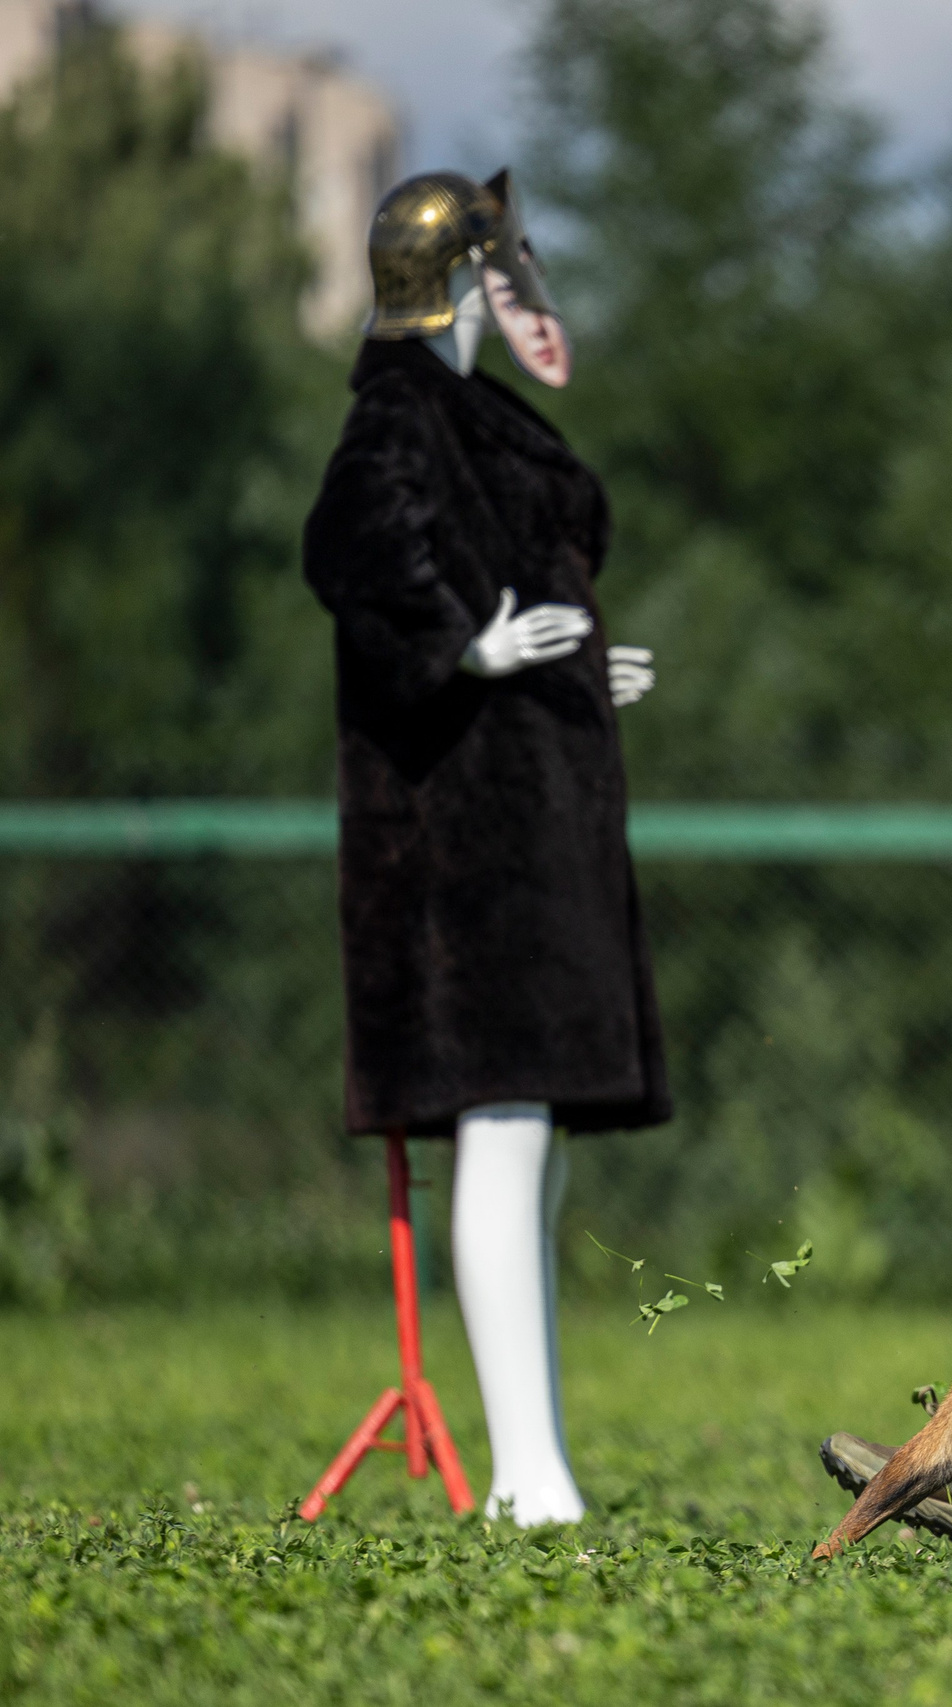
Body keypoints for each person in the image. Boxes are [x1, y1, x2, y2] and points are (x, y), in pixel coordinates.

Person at [302, 170, 671, 1526]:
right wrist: (466, 645)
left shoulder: (473, 414)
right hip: (459, 839)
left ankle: (538, 1457)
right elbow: (350, 547)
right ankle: (527, 1477)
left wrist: (571, 670)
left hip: (533, 811)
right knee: (501, 1120)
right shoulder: (399, 412)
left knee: (532, 1135)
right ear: (466, 275)